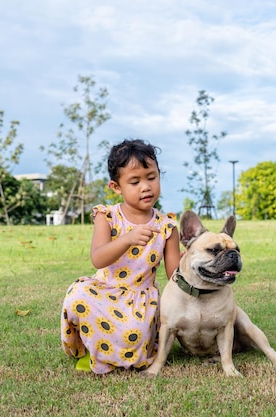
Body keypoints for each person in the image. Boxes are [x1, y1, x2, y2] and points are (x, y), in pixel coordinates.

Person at [60, 139, 180, 374]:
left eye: (152, 177)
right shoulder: (107, 216)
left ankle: (112, 354)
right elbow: (98, 258)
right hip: (104, 293)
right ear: (116, 187)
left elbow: (174, 275)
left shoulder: (166, 226)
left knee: (132, 333)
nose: (145, 187)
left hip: (140, 301)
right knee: (77, 295)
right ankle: (90, 351)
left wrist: (188, 260)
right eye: (134, 181)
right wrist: (126, 239)